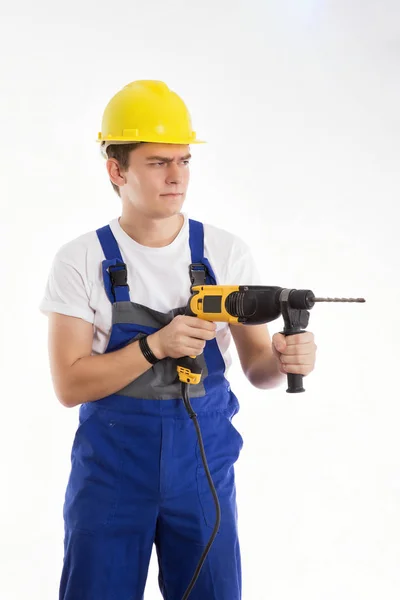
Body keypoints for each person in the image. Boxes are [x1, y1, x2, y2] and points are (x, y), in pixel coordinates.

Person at [40, 80, 317, 600]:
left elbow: (258, 368)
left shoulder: (223, 251)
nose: (177, 177)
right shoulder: (80, 260)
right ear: (116, 169)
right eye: (158, 162)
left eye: (185, 161)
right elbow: (70, 383)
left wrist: (286, 359)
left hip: (203, 470)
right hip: (112, 473)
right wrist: (155, 346)